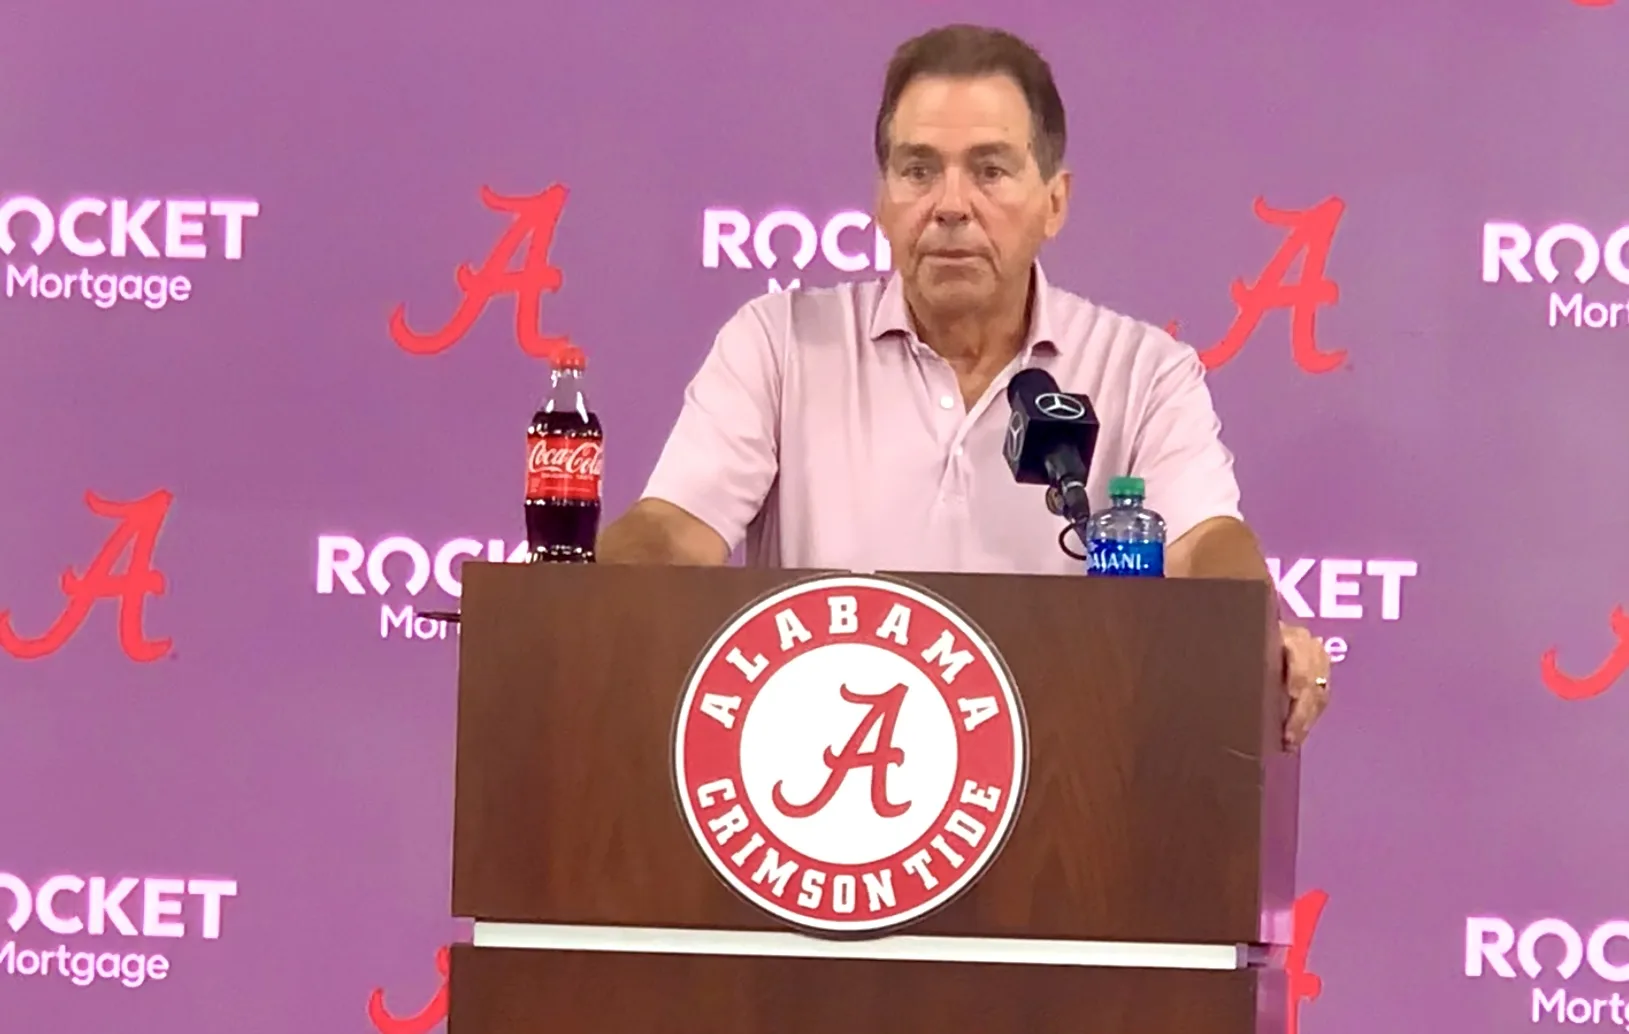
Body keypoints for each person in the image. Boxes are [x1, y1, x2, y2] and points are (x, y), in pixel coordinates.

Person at [598, 23, 1330, 748]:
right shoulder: (780, 343)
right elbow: (674, 528)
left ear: (1054, 201)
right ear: (882, 200)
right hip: (812, 788)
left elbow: (1206, 541)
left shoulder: (1141, 370)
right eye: (918, 170)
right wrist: (587, 598)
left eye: (989, 170)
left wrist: (1252, 627)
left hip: (1064, 791)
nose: (950, 204)